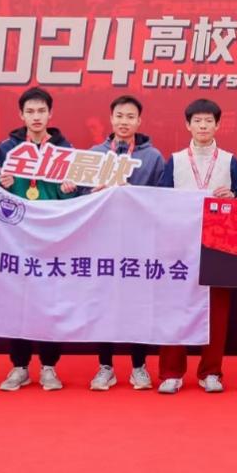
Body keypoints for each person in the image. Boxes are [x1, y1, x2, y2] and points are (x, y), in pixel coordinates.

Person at [0, 86, 80, 392]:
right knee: (17, 302)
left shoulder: (65, 150)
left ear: (50, 114)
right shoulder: (7, 149)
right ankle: (19, 367)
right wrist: (0, 183)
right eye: (30, 111)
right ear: (21, 115)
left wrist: (68, 190)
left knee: (49, 303)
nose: (36, 117)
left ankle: (48, 367)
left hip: (53, 236)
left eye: (41, 111)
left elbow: (75, 198)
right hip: (17, 236)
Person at [156, 98, 237, 394]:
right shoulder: (176, 160)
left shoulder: (230, 160)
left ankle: (211, 372)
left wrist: (234, 197)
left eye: (209, 121)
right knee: (174, 307)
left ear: (218, 125)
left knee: (217, 311)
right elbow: (162, 201)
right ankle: (171, 372)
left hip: (218, 246)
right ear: (188, 125)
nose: (203, 126)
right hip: (180, 245)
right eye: (197, 121)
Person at [89, 94, 167, 391]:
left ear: (139, 121)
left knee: (138, 304)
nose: (124, 122)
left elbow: (162, 199)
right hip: (103, 240)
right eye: (119, 116)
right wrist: (92, 192)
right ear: (111, 119)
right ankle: (105, 367)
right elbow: (80, 198)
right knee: (104, 304)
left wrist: (130, 191)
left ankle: (138, 366)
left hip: (139, 241)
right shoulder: (94, 154)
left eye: (130, 117)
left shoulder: (153, 157)